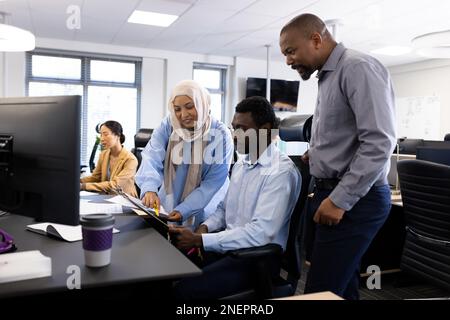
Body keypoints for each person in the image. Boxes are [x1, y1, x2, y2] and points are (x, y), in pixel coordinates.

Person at [279, 13, 396, 299]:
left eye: (291, 51)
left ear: (316, 39)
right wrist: (317, 153)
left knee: (321, 289)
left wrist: (340, 200)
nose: (288, 61)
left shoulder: (358, 68)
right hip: (333, 192)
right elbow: (344, 132)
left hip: (355, 198)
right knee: (342, 286)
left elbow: (380, 142)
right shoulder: (328, 75)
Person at [170, 96, 301, 299]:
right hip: (229, 251)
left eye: (241, 128)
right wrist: (204, 228)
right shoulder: (242, 164)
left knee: (183, 291)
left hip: (254, 260)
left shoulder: (280, 172)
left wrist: (200, 240)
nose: (234, 135)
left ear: (265, 129)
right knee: (169, 273)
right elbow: (223, 209)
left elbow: (260, 233)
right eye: (233, 128)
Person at [135, 80, 233, 227]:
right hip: (170, 197)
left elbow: (213, 182)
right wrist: (149, 188)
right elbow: (152, 156)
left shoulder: (220, 134)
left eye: (189, 107)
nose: (183, 115)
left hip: (206, 202)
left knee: (195, 242)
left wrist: (185, 209)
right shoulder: (169, 124)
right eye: (177, 109)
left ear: (202, 103)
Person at [80, 120, 138, 197]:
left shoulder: (130, 159)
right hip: (106, 198)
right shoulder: (103, 155)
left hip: (125, 200)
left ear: (117, 135)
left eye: (105, 134)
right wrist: (76, 181)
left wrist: (83, 186)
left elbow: (116, 185)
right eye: (101, 135)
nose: (102, 139)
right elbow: (95, 177)